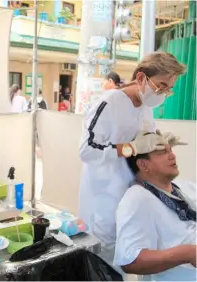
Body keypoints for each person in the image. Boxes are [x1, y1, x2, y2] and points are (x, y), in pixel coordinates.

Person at [78, 52, 186, 267]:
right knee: (104, 261)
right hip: (104, 199)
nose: (163, 93)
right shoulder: (109, 103)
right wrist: (130, 148)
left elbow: (143, 143)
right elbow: (86, 150)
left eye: (168, 89)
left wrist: (160, 142)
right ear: (140, 78)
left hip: (131, 194)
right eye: (160, 85)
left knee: (127, 253)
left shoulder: (146, 109)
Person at [114, 132, 196, 281]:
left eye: (170, 150)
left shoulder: (186, 187)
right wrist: (188, 254)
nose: (172, 156)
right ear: (143, 165)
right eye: (162, 152)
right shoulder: (137, 198)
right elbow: (130, 260)